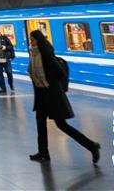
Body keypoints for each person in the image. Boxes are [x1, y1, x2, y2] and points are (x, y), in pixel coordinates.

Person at [27, 29, 100, 164]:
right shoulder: (33, 54)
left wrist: (48, 82)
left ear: (38, 40)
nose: (30, 42)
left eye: (32, 40)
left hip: (52, 95)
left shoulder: (46, 54)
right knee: (40, 123)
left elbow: (60, 73)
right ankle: (43, 152)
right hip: (41, 95)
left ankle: (92, 146)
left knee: (62, 125)